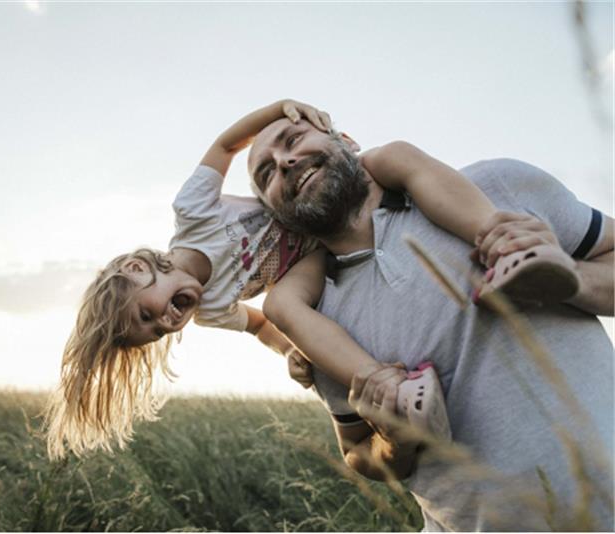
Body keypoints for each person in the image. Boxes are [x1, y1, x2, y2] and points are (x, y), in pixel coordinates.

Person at [44, 100, 578, 462]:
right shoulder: (208, 311)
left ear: (139, 270)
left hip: (313, 215)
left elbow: (228, 142)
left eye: (147, 314)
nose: (167, 322)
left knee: (393, 154)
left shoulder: (193, 213)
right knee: (282, 306)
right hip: (310, 249)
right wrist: (292, 353)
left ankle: (505, 242)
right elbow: (258, 325)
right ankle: (392, 393)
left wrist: (281, 109)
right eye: (158, 333)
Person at [248, 116, 614, 530]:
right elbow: (356, 450)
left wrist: (570, 278)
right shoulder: (314, 323)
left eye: (293, 139)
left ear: (347, 141)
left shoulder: (497, 186)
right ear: (277, 213)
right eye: (267, 173)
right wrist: (394, 441)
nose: (285, 162)